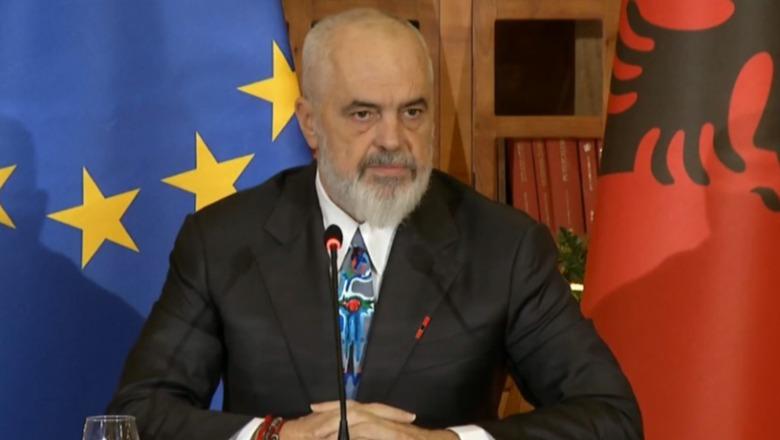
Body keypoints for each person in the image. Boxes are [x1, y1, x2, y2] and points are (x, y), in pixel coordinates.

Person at [108, 8, 642, 440]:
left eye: (412, 112)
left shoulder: (503, 247)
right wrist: (272, 435)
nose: (392, 140)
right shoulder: (224, 242)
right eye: (363, 114)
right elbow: (137, 413)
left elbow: (610, 418)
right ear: (310, 123)